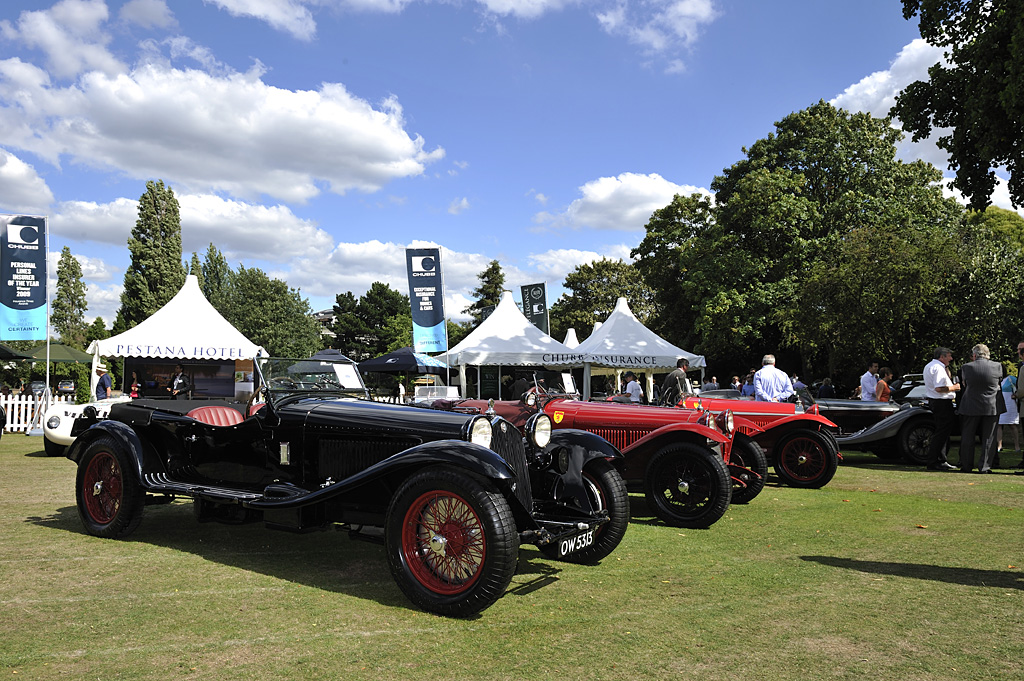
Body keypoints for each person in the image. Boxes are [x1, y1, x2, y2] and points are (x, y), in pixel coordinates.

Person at [958, 344, 1004, 473]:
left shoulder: (966, 367)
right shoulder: (998, 366)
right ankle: (984, 466)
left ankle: (966, 465)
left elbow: (964, 383)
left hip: (970, 405)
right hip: (991, 405)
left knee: (968, 436)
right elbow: (999, 381)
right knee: (989, 437)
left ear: (974, 355)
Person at [923, 347, 960, 471]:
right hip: (941, 402)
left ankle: (940, 459)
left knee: (941, 431)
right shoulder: (938, 368)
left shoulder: (930, 366)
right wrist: (954, 388)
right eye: (949, 356)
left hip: (936, 402)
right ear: (942, 357)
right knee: (942, 432)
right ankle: (935, 460)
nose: (951, 359)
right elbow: (939, 388)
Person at [997, 369, 1020, 456]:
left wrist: (1016, 395)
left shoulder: (1011, 378)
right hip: (1000, 403)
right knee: (999, 425)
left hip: (1010, 404)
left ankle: (1017, 445)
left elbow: (1019, 387)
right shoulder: (997, 380)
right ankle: (999, 445)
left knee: (1012, 425)